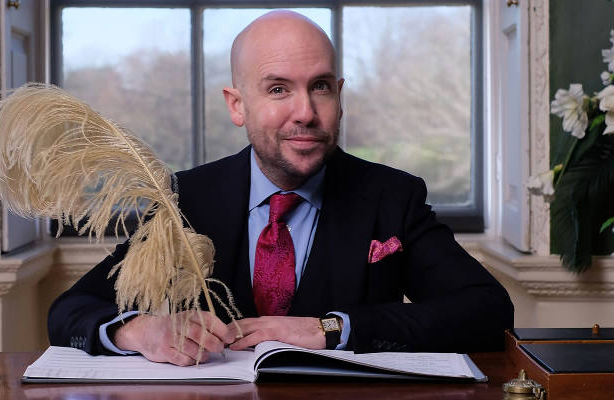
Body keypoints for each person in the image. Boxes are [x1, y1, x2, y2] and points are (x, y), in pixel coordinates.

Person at [48, 10, 514, 366]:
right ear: (237, 105)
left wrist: (332, 329)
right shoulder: (185, 199)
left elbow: (488, 311)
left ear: (339, 96)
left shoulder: (394, 197)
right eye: (277, 89)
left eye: (321, 87)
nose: (306, 112)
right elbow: (69, 310)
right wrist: (137, 332)